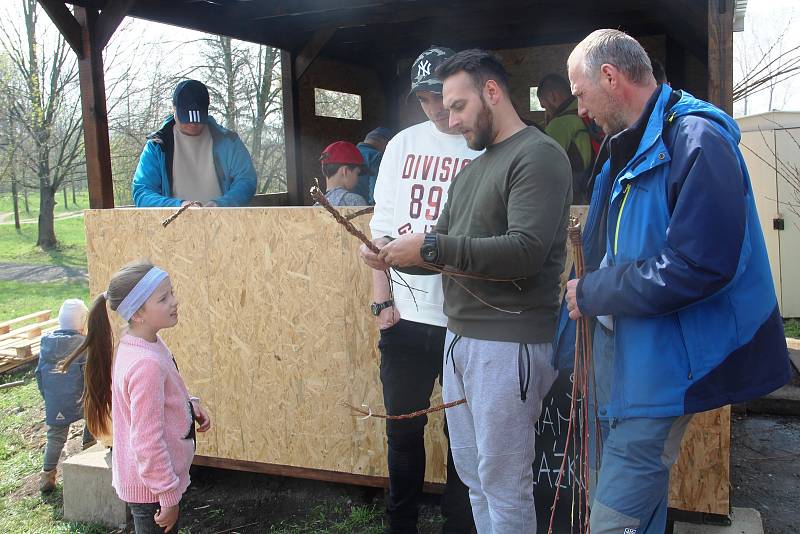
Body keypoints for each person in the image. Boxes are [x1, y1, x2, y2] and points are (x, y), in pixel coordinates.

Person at [563, 29, 791, 534]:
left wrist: (595, 292)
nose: (579, 110)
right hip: (626, 363)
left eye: (580, 94)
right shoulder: (626, 147)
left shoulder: (696, 141)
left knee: (612, 517)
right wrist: (583, 354)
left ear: (610, 76)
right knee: (628, 502)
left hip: (663, 369)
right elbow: (607, 252)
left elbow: (700, 265)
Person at [372, 49, 572, 533]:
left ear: (492, 92)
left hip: (508, 343)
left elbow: (524, 251)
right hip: (461, 342)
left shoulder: (538, 155)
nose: (451, 119)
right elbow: (435, 260)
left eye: (458, 106)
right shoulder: (472, 171)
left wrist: (431, 247)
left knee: (504, 487)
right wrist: (391, 258)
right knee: (477, 481)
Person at [358, 46, 479, 534]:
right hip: (406, 316)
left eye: (440, 96)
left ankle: (460, 525)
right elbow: (380, 230)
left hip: (466, 320)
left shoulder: (481, 142)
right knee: (403, 429)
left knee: (463, 435)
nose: (434, 108)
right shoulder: (403, 146)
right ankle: (400, 524)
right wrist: (381, 296)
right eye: (424, 98)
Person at [60, 261, 212, 534]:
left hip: (151, 483)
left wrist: (188, 405)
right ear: (138, 313)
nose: (175, 302)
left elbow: (156, 402)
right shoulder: (146, 364)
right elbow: (147, 440)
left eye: (172, 293)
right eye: (164, 298)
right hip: (152, 490)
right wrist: (167, 495)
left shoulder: (141, 342)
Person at [132, 79, 257, 208]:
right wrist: (179, 206)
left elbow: (246, 180)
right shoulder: (157, 146)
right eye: (186, 118)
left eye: (198, 119)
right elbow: (142, 193)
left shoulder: (229, 142)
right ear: (174, 108)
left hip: (223, 222)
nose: (193, 124)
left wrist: (221, 205)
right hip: (175, 224)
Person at [35, 299, 95, 493]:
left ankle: (47, 474)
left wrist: (48, 397)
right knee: (92, 418)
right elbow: (89, 377)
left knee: (55, 436)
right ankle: (89, 449)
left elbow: (38, 374)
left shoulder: (46, 343)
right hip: (80, 399)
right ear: (83, 322)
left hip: (55, 400)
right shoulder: (84, 344)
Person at [537, 73, 594, 203]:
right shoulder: (587, 112)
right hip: (590, 191)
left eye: (544, 106)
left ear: (552, 96)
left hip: (572, 197)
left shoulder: (559, 124)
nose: (546, 112)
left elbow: (544, 167)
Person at [317, 141, 369, 207]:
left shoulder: (316, 205)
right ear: (345, 171)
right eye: (357, 173)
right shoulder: (355, 201)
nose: (357, 179)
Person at [355, 127, 392, 204]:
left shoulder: (350, 153)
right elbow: (375, 189)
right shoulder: (377, 157)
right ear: (384, 142)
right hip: (364, 207)